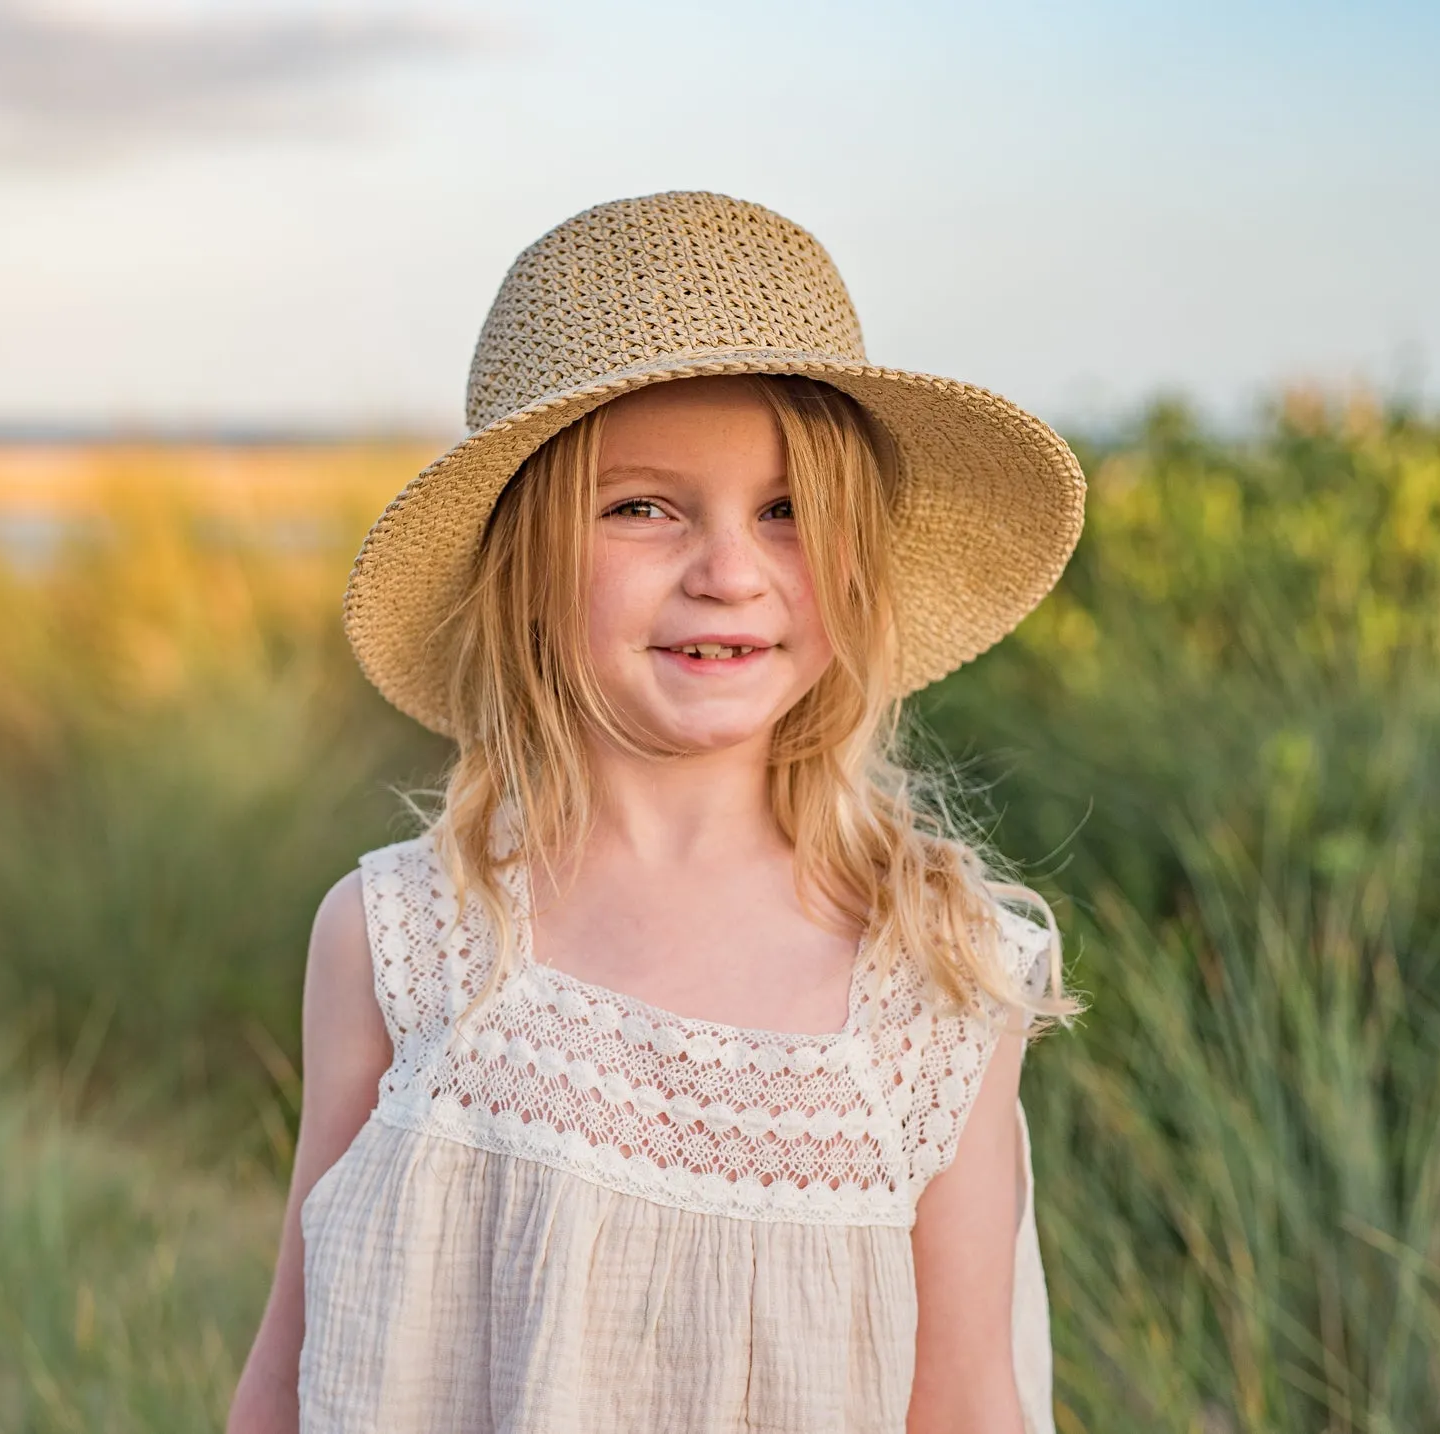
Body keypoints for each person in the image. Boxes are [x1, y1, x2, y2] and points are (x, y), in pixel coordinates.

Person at [227, 191, 1088, 1434]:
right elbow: (293, 1359)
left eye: (787, 511)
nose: (728, 571)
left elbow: (964, 1402)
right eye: (642, 506)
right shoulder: (401, 942)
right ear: (522, 564)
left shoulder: (933, 981)